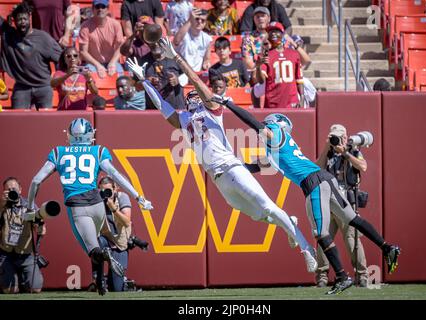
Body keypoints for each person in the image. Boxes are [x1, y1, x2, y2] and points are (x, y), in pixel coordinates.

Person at [126, 37, 318, 274]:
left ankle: (306, 248)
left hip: (231, 167)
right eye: (189, 99)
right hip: (218, 179)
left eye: (196, 96)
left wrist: (176, 57)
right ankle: (290, 223)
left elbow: (197, 82)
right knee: (260, 215)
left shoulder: (213, 111)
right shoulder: (185, 120)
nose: (193, 99)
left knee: (268, 207)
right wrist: (143, 80)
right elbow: (161, 106)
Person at [209, 98, 402, 294]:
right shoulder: (279, 146)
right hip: (325, 178)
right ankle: (387, 248)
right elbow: (257, 166)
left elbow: (252, 123)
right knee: (352, 218)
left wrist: (229, 104)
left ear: (276, 124)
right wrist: (230, 167)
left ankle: (343, 276)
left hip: (313, 183)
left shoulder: (275, 133)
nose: (264, 128)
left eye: (267, 124)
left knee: (320, 233)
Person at [26, 118, 153, 295]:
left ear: (70, 135)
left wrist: (31, 206)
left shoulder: (58, 152)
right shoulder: (98, 151)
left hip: (77, 206)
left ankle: (104, 259)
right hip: (97, 203)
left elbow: (36, 181)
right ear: (90, 134)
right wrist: (139, 196)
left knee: (93, 250)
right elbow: (115, 175)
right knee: (98, 242)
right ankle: (101, 284)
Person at [315, 124, 369, 287]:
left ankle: (362, 275)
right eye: (333, 137)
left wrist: (345, 153)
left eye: (338, 137)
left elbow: (363, 166)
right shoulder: (329, 152)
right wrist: (326, 147)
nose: (336, 140)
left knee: (352, 239)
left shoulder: (353, 150)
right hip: (328, 201)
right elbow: (317, 168)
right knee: (323, 238)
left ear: (345, 137)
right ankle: (322, 276)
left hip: (345, 202)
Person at [0, 2, 62, 110]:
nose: (22, 22)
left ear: (29, 18)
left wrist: (57, 76)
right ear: (14, 21)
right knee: (18, 121)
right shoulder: (9, 35)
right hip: (21, 87)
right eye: (19, 19)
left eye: (24, 19)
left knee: (46, 121)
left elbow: (62, 58)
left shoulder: (43, 38)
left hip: (43, 86)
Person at [89, 176, 133, 292]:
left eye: (108, 191)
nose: (105, 194)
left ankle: (121, 282)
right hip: (104, 240)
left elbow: (127, 221)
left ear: (115, 189)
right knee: (96, 243)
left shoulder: (122, 198)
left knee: (116, 288)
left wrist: (113, 209)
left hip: (119, 245)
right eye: (102, 191)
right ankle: (98, 278)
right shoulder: (97, 200)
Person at [0, 177, 44, 294]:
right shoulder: (1, 205)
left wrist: (40, 228)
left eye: (14, 189)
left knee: (35, 289)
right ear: (4, 191)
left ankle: (22, 278)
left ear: (20, 190)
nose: (12, 191)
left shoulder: (29, 205)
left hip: (26, 254)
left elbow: (40, 226)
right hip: (6, 254)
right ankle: (11, 278)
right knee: (10, 291)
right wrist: (1, 205)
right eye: (8, 189)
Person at [256, 22, 304, 108]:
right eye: (271, 31)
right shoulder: (265, 55)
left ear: (282, 34)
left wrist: (302, 97)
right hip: (273, 102)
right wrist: (258, 66)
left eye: (276, 31)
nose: (273, 33)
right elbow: (261, 80)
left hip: (292, 102)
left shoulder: (293, 54)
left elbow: (299, 79)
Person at [79, 0, 124, 78]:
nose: (100, 9)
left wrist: (113, 62)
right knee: (90, 77)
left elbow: (120, 48)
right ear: (93, 9)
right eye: (97, 7)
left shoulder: (115, 25)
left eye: (103, 7)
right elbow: (83, 52)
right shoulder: (85, 26)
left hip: (112, 62)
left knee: (122, 79)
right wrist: (97, 65)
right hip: (92, 63)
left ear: (107, 9)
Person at [145, 44, 187, 110]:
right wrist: (146, 81)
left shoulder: (175, 57)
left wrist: (178, 80)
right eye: (152, 40)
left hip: (175, 108)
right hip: (153, 109)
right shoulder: (143, 60)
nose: (155, 44)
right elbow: (136, 84)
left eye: (158, 41)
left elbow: (190, 76)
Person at [173, 7, 212, 72]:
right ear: (192, 20)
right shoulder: (184, 33)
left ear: (205, 23)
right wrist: (190, 20)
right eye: (197, 19)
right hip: (181, 72)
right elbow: (176, 42)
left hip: (196, 74)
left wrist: (206, 63)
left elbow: (206, 58)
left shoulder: (207, 38)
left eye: (202, 20)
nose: (199, 22)